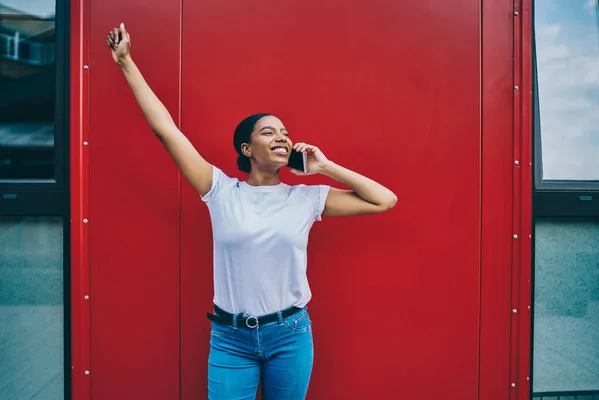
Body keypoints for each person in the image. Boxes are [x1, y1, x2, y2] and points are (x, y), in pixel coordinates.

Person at [106, 23, 397, 400]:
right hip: (230, 339)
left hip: (290, 335)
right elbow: (167, 131)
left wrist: (324, 167)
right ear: (247, 148)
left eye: (284, 133)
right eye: (268, 132)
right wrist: (127, 62)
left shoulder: (306, 198)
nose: (281, 137)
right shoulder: (221, 190)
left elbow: (384, 200)